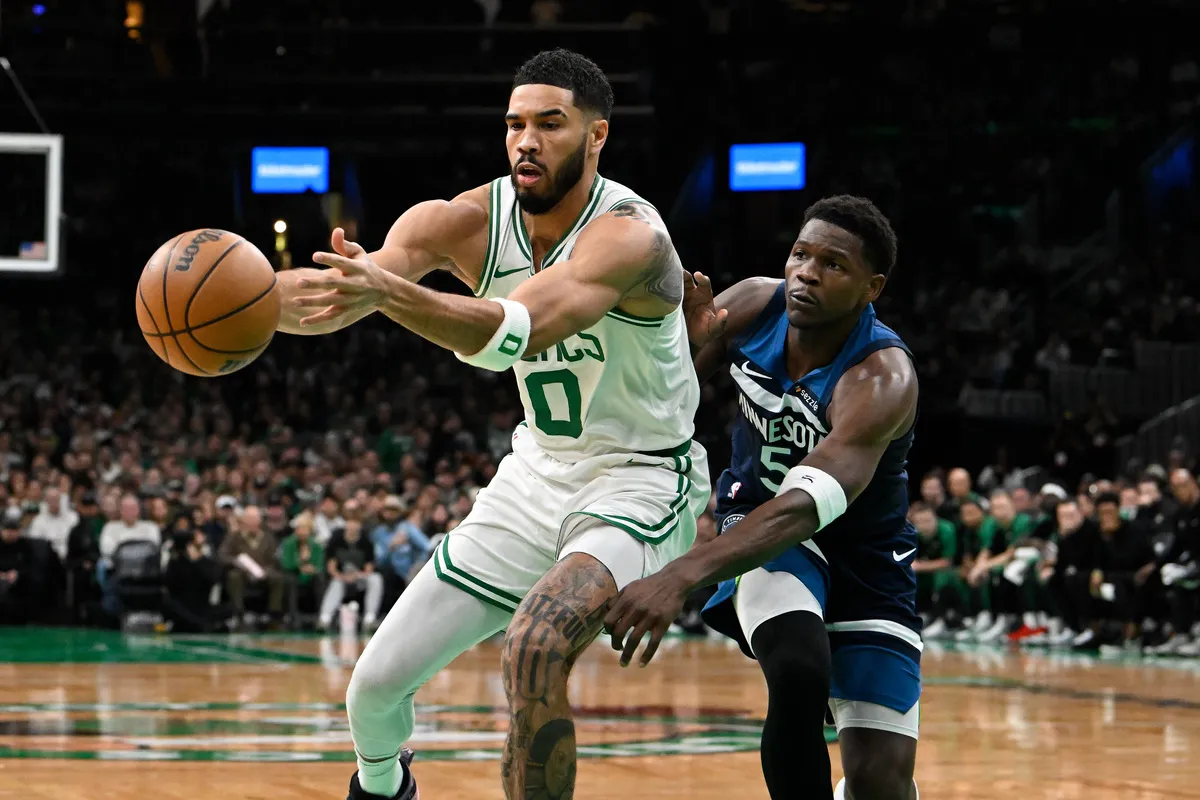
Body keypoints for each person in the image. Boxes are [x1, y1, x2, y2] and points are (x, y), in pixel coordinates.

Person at [275, 49, 709, 800]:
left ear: (597, 136)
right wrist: (244, 304)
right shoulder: (464, 220)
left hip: (640, 478)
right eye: (514, 124)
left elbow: (518, 332)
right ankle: (384, 787)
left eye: (550, 123)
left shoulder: (630, 236)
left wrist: (384, 292)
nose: (526, 141)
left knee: (537, 645)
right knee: (372, 692)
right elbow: (342, 293)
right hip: (535, 474)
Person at [605, 196, 920, 800]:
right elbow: (664, 398)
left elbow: (811, 502)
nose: (806, 271)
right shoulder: (754, 302)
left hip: (862, 553)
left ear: (870, 287)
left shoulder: (881, 378)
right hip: (761, 531)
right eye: (801, 253)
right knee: (799, 668)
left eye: (834, 265)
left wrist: (680, 575)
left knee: (881, 781)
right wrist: (684, 347)